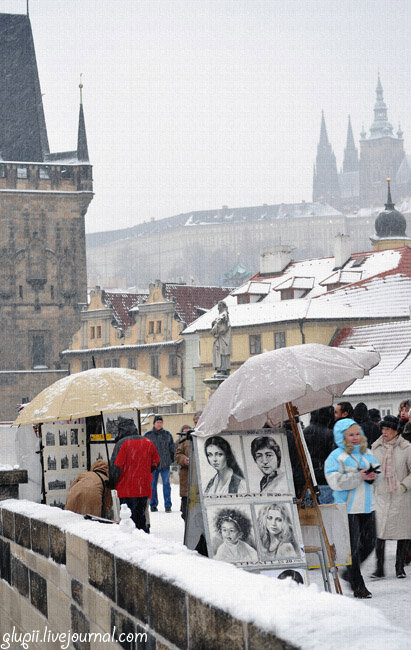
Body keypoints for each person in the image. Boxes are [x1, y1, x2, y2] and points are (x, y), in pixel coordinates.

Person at [325, 418, 378, 598]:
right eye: (350, 435)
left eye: (357, 434)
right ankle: (358, 585)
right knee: (352, 548)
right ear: (342, 437)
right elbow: (334, 482)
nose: (355, 438)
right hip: (348, 508)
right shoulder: (336, 456)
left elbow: (377, 473)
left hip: (368, 506)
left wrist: (372, 476)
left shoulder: (368, 453)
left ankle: (349, 573)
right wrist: (358, 477)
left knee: (371, 543)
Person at [370, 414, 411, 579]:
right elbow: (372, 468)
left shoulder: (406, 448)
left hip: (401, 495)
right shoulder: (375, 447)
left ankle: (399, 567)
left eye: (388, 429)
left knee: (402, 532)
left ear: (396, 431)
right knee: (379, 532)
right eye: (383, 428)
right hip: (381, 494)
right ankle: (379, 568)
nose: (384, 432)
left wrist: (404, 485)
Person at [109, 420, 159, 531]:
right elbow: (156, 462)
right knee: (141, 518)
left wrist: (112, 482)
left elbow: (116, 467)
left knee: (128, 521)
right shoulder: (147, 442)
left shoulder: (122, 443)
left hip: (126, 489)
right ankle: (144, 539)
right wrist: (144, 472)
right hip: (143, 488)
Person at [301, 407, 335, 504]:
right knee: (326, 509)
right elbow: (331, 457)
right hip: (324, 477)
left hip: (308, 477)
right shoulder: (329, 434)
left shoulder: (304, 432)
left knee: (310, 509)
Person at [144, 415, 175, 512]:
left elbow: (172, 448)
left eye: (161, 422)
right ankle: (153, 505)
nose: (159, 424)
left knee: (166, 484)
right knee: (152, 485)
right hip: (152, 465)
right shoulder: (148, 435)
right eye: (157, 422)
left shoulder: (167, 434)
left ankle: (168, 505)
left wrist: (171, 459)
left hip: (165, 463)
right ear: (154, 423)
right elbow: (144, 450)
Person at [174, 425, 192, 520]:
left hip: (200, 480)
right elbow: (177, 455)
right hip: (186, 479)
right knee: (186, 511)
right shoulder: (183, 442)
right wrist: (184, 459)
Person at [211, 300, 231, 375]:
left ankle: (223, 369)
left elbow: (223, 328)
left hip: (223, 338)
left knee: (223, 353)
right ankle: (220, 369)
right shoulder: (221, 316)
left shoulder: (224, 315)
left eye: (219, 306)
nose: (218, 308)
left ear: (222, 307)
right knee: (219, 353)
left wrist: (216, 331)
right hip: (220, 338)